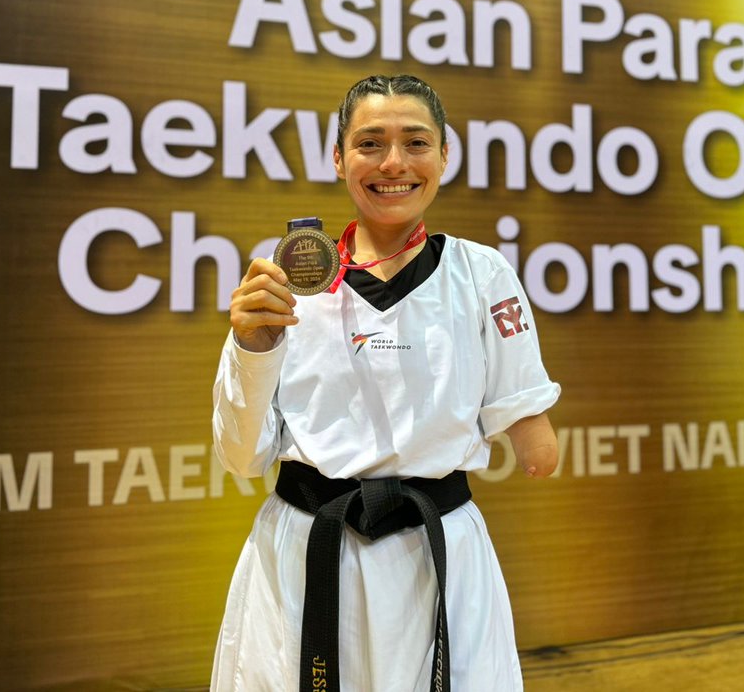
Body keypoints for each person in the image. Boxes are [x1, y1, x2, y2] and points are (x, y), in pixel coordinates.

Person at [211, 74, 560, 692]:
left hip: (438, 553)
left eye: (417, 142)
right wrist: (251, 348)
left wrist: (531, 427)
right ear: (339, 156)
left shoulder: (481, 274)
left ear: (446, 154)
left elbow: (535, 436)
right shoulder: (287, 278)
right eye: (370, 143)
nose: (394, 163)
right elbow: (242, 456)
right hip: (306, 554)